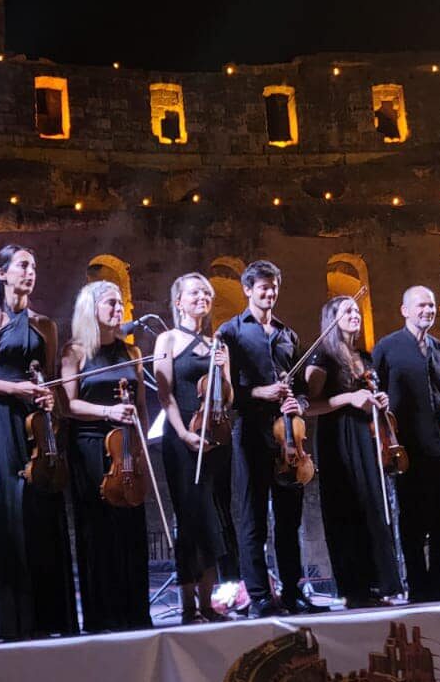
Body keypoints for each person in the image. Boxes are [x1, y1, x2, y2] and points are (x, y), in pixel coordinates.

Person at [0, 245, 78, 639]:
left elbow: (52, 380)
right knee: (6, 506)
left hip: (35, 424)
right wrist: (13, 388)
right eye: (23, 265)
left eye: (35, 266)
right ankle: (3, 616)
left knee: (40, 504)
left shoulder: (45, 324)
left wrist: (44, 394)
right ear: (2, 273)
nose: (31, 272)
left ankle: (46, 614)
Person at [216, 260, 324, 616]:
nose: (270, 292)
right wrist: (261, 393)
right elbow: (226, 395)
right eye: (263, 287)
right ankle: (260, 597)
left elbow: (305, 391)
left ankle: (293, 593)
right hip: (250, 433)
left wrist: (298, 400)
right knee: (253, 519)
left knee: (290, 520)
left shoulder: (288, 335)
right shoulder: (229, 333)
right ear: (247, 289)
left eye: (274, 286)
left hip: (289, 437)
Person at [60, 281, 153, 632]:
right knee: (97, 530)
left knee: (131, 529)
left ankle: (134, 612)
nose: (120, 309)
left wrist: (142, 449)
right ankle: (102, 616)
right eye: (111, 303)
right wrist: (108, 412)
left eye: (122, 303)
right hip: (91, 446)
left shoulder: (132, 353)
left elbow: (142, 405)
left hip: (128, 446)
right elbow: (68, 405)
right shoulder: (75, 352)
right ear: (92, 308)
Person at [304, 296, 403, 608]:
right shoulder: (323, 357)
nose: (355, 315)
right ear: (331, 319)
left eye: (357, 310)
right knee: (346, 508)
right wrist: (349, 399)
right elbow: (309, 406)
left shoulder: (365, 357)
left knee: (373, 506)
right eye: (346, 311)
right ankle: (354, 589)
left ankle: (378, 584)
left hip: (367, 435)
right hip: (338, 438)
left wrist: (379, 401)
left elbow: (368, 394)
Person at [153, 273, 238, 624]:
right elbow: (165, 393)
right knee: (191, 518)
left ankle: (208, 602)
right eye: (194, 292)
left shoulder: (220, 344)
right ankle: (189, 606)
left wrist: (224, 374)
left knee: (214, 518)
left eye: (206, 291)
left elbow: (228, 398)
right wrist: (183, 434)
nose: (202, 296)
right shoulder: (167, 339)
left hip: (215, 435)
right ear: (179, 301)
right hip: (182, 436)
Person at [375, 286, 440, 602]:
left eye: (431, 305)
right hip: (406, 448)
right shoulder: (387, 347)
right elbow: (377, 393)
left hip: (439, 446)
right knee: (412, 522)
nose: (428, 310)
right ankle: (418, 586)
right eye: (421, 305)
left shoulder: (438, 347)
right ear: (405, 310)